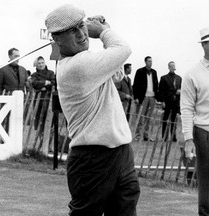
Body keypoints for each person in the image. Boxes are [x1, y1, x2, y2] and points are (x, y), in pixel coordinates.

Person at [45, 4, 140, 216]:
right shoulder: (76, 66)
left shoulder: (87, 62)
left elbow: (116, 71)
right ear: (57, 39)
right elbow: (123, 49)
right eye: (72, 31)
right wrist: (103, 31)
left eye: (81, 26)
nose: (81, 34)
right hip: (92, 159)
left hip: (121, 152)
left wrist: (105, 28)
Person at [181, 26, 209, 215]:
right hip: (203, 131)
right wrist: (188, 139)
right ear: (204, 45)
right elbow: (187, 108)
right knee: (206, 180)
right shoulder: (192, 74)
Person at [133, 56, 159, 141]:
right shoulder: (140, 71)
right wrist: (136, 97)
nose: (150, 63)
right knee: (140, 116)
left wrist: (157, 97)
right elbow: (135, 84)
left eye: (151, 61)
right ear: (145, 62)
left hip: (152, 97)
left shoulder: (154, 72)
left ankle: (146, 135)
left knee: (149, 118)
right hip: (143, 97)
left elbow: (156, 85)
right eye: (149, 61)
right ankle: (137, 135)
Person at [159, 61, 182, 141]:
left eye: (174, 65)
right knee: (165, 119)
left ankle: (173, 136)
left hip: (176, 102)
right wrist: (162, 101)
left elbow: (181, 89)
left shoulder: (179, 78)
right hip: (167, 101)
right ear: (168, 67)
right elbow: (161, 91)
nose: (173, 67)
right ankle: (164, 136)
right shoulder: (164, 78)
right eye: (171, 66)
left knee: (174, 119)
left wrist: (179, 92)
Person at [31, 56, 55, 130]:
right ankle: (40, 135)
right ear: (36, 65)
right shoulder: (34, 75)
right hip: (39, 99)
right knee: (39, 118)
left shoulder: (51, 73)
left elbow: (53, 83)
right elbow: (34, 83)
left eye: (42, 63)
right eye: (39, 63)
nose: (41, 65)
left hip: (49, 98)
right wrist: (45, 82)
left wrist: (43, 87)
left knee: (49, 118)